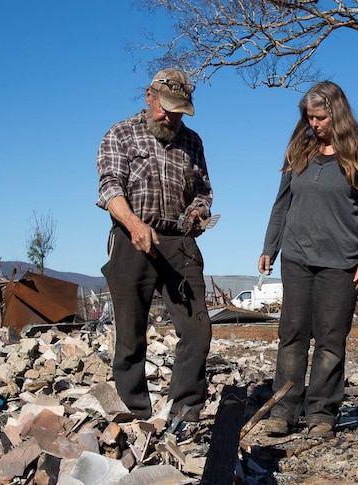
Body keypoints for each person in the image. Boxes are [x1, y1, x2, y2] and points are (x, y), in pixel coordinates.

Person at [258, 81, 358, 438]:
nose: (314, 124)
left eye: (321, 117)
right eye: (309, 117)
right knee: (292, 335)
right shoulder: (298, 150)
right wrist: (271, 246)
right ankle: (283, 410)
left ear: (337, 115)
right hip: (297, 257)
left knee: (331, 339)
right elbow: (282, 202)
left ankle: (322, 414)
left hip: (342, 262)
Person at [96, 68, 214, 430]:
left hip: (179, 243)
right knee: (131, 333)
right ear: (149, 97)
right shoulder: (119, 134)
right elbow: (109, 188)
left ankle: (186, 409)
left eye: (179, 111)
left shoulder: (192, 141)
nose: (171, 117)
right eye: (166, 108)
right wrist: (134, 225)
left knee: (198, 330)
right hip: (132, 237)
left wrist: (198, 212)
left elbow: (203, 192)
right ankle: (134, 413)